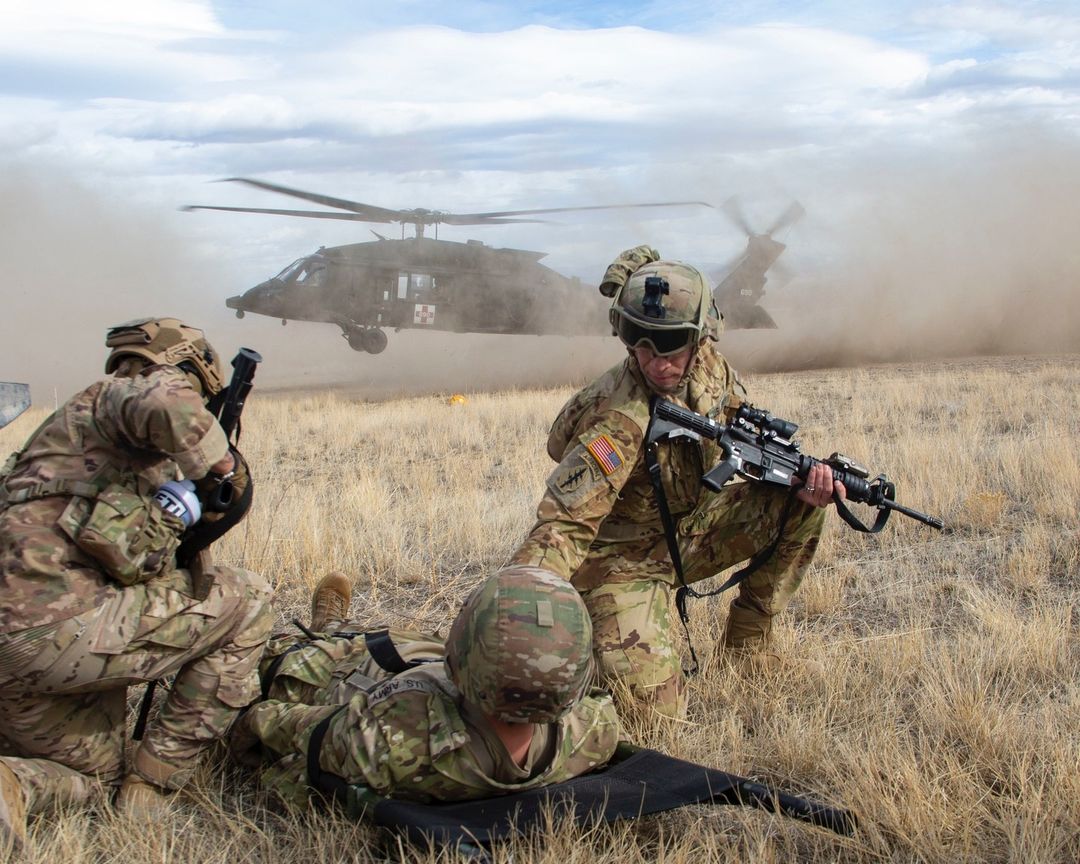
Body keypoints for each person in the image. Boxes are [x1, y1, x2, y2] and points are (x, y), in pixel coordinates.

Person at [507, 247, 846, 718]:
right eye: (641, 345)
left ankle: (748, 648)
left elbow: (734, 429)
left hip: (687, 531)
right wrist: (514, 616)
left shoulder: (712, 369)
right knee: (656, 714)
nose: (656, 363)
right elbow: (562, 528)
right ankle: (596, 629)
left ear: (702, 337)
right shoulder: (617, 419)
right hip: (621, 563)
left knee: (800, 501)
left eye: (672, 346)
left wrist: (793, 480)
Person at [0, 317, 273, 851]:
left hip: (20, 654)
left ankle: (10, 783)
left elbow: (129, 559)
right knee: (248, 599)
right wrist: (217, 463)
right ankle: (152, 786)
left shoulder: (62, 445)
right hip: (53, 632)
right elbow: (161, 398)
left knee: (88, 779)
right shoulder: (121, 394)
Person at [233, 566, 621, 808]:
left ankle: (326, 632)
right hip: (425, 660)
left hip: (363, 677)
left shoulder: (389, 741)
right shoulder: (595, 730)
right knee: (403, 641)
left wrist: (249, 718)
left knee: (296, 659)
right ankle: (335, 627)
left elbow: (277, 725)